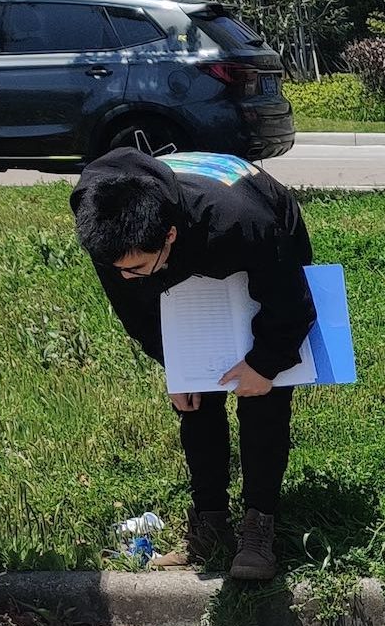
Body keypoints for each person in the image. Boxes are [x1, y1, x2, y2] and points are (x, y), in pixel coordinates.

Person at [71, 147, 315, 583]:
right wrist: (175, 365)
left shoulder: (242, 222)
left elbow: (289, 301)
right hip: (184, 242)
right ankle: (209, 522)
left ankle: (258, 524)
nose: (127, 277)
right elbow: (137, 312)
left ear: (167, 236)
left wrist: (264, 364)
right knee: (195, 400)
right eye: (119, 269)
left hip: (259, 221)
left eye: (138, 268)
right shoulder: (108, 228)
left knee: (262, 396)